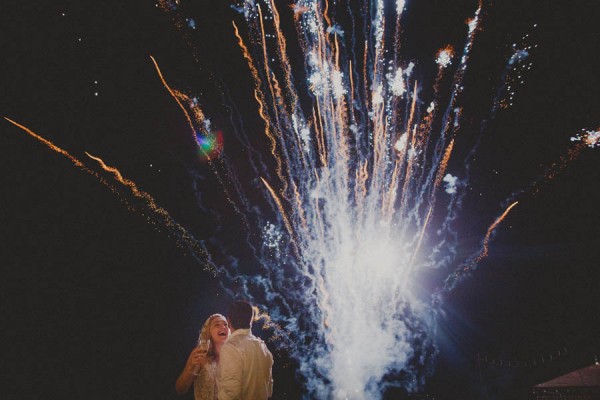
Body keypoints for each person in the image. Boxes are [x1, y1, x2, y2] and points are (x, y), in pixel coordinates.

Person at [217, 300, 274, 400]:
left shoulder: (231, 347)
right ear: (251, 320)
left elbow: (230, 393)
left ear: (228, 321)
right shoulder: (263, 347)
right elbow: (268, 390)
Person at [176, 314, 230, 400]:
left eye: (225, 324)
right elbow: (180, 389)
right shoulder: (199, 354)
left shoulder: (233, 357)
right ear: (209, 332)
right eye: (217, 324)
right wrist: (190, 367)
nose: (223, 327)